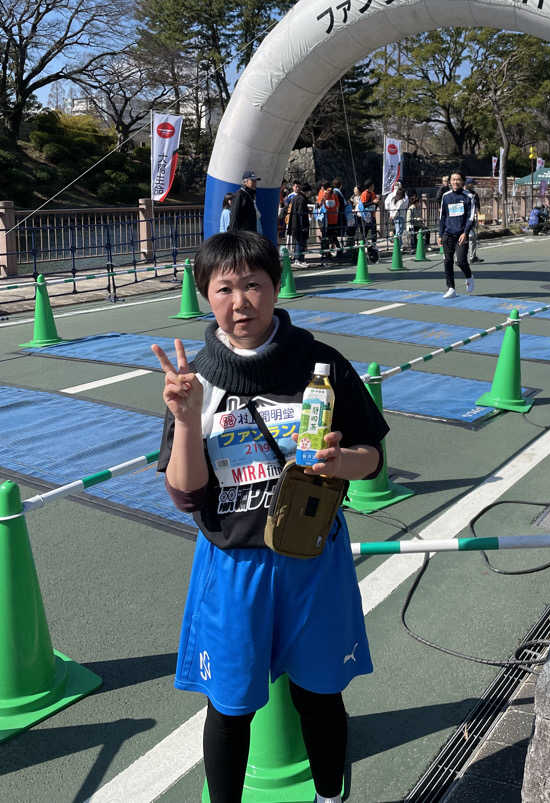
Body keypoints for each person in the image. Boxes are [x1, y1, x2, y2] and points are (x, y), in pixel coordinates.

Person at [152, 231, 388, 803]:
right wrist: (186, 420)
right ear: (205, 295)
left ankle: (330, 799)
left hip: (313, 559)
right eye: (224, 288)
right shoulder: (195, 379)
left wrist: (341, 458)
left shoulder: (322, 362)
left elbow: (373, 456)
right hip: (233, 566)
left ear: (275, 286)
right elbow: (184, 495)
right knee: (230, 706)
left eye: (253, 285)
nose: (240, 302)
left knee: (321, 694)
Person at [438, 170, 476, 298]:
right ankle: (451, 288)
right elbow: (442, 216)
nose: (455, 182)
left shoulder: (469, 196)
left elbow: (471, 217)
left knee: (460, 261)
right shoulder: (446, 196)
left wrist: (465, 233)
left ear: (462, 182)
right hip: (448, 234)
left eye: (458, 179)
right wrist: (440, 234)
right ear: (450, 182)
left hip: (462, 234)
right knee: (447, 261)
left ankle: (469, 276)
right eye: (453, 179)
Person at [285, 181, 310, 268]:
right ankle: (298, 259)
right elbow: (301, 213)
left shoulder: (295, 198)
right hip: (299, 224)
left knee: (298, 241)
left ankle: (300, 259)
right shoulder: (301, 199)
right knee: (300, 242)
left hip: (294, 223)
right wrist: (303, 226)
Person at [356, 180, 380, 262]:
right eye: (372, 186)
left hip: (372, 216)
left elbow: (375, 205)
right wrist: (373, 202)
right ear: (370, 186)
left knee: (374, 232)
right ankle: (363, 249)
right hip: (365, 217)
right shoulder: (364, 194)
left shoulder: (373, 194)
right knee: (364, 233)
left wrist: (376, 203)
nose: (374, 187)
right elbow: (364, 205)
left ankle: (373, 247)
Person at [384, 181, 409, 247]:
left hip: (392, 215)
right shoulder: (403, 195)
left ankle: (398, 243)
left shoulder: (391, 195)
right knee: (399, 231)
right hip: (400, 215)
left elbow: (386, 205)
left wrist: (391, 212)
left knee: (396, 229)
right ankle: (398, 244)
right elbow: (405, 205)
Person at [464, 179, 483, 261]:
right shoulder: (462, 193)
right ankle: (459, 258)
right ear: (467, 184)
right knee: (467, 237)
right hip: (462, 219)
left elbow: (478, 205)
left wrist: (479, 215)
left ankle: (473, 256)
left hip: (472, 218)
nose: (473, 186)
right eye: (472, 184)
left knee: (473, 237)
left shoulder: (474, 194)